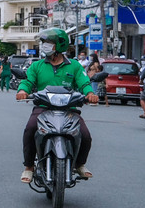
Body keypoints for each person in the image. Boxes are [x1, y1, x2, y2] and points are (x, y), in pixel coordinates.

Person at [16, 28, 98, 184]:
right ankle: (28, 167)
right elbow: (27, 81)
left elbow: (84, 83)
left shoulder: (74, 66)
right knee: (29, 129)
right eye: (44, 43)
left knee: (85, 135)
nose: (44, 46)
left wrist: (90, 94)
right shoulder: (37, 65)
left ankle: (80, 164)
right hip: (43, 108)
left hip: (69, 110)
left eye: (48, 43)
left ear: (60, 45)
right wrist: (22, 91)